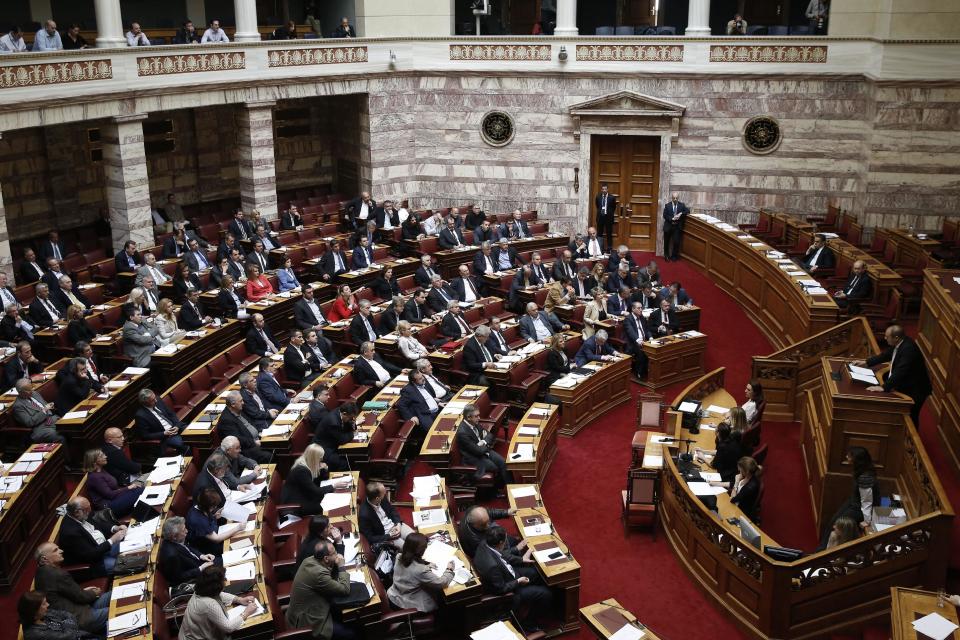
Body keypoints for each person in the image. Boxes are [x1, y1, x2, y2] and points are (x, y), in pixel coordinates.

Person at [473, 525, 552, 631]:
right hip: (510, 590)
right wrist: (518, 581)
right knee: (546, 593)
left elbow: (501, 555)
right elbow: (501, 589)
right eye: (505, 540)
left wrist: (521, 560)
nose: (506, 542)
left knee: (537, 573)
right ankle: (529, 623)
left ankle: (539, 602)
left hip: (508, 573)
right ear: (501, 543)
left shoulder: (486, 543)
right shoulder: (492, 566)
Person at [33, 542, 110, 636]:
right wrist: (94, 593)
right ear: (44, 559)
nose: (61, 551)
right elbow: (81, 597)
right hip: (81, 618)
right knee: (114, 610)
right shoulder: (57, 574)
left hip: (78, 609)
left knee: (113, 596)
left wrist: (85, 591)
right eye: (55, 550)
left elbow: (68, 594)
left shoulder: (40, 573)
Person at [861, 324, 932, 426]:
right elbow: (885, 355)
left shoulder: (908, 350)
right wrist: (867, 362)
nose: (885, 338)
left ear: (896, 338)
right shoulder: (900, 343)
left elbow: (901, 371)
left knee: (911, 416)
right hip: (908, 384)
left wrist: (884, 387)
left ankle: (912, 439)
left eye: (887, 336)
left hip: (917, 389)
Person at [287, 541, 356, 640]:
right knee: (351, 634)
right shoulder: (318, 574)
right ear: (326, 558)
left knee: (346, 616)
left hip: (302, 610)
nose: (337, 555)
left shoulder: (309, 560)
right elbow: (344, 590)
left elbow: (327, 572)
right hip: (310, 621)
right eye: (335, 553)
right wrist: (341, 566)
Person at [179, 566, 259, 640]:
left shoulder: (201, 590)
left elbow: (220, 594)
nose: (225, 580)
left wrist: (239, 599)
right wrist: (246, 613)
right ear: (216, 586)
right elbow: (229, 628)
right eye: (223, 579)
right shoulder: (209, 604)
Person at [820, 446, 879, 547]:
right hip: (854, 502)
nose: (847, 457)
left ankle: (822, 551)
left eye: (850, 456)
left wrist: (867, 520)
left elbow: (867, 502)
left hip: (858, 509)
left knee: (836, 524)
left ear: (857, 460)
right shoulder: (861, 471)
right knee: (832, 522)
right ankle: (822, 549)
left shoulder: (865, 477)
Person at [387, 532, 455, 613]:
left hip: (394, 596)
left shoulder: (399, 556)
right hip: (409, 604)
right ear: (421, 551)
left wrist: (426, 564)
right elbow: (441, 583)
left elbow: (412, 567)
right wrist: (449, 570)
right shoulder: (420, 570)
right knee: (443, 596)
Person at [58, 496, 126, 574]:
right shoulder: (70, 533)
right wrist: (112, 540)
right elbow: (91, 555)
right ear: (77, 512)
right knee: (126, 564)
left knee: (130, 546)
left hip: (104, 549)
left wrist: (115, 528)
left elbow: (98, 525)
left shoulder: (81, 515)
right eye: (87, 509)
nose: (90, 511)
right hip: (94, 563)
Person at [282, 443, 348, 516]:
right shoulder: (301, 471)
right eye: (320, 459)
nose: (322, 460)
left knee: (328, 496)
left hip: (306, 494)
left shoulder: (307, 462)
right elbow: (315, 491)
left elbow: (321, 479)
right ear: (314, 459)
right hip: (297, 503)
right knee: (328, 506)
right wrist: (333, 486)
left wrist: (324, 469)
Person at [456, 403, 510, 491]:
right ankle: (496, 490)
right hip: (473, 458)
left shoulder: (474, 422)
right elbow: (478, 451)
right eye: (476, 416)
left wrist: (484, 441)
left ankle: (509, 488)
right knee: (495, 467)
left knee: (503, 463)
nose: (479, 418)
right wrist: (488, 445)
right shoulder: (463, 433)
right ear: (469, 417)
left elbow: (489, 435)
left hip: (483, 450)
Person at [82, 448, 144, 517]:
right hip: (109, 507)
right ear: (94, 462)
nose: (105, 457)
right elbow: (110, 495)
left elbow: (114, 489)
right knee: (142, 491)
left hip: (115, 499)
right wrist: (128, 488)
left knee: (139, 488)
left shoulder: (101, 470)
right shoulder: (94, 477)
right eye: (102, 456)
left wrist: (129, 489)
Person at [216, 391, 273, 463]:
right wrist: (254, 442)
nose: (243, 403)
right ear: (233, 404)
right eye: (240, 401)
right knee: (269, 455)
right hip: (246, 449)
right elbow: (238, 440)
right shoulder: (226, 420)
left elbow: (251, 422)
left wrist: (260, 432)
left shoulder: (239, 409)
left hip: (257, 438)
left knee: (277, 445)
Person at [158, 517, 215, 586]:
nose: (187, 531)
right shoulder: (172, 556)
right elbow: (178, 578)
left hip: (201, 562)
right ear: (174, 536)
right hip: (199, 576)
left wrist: (201, 556)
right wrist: (201, 568)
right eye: (183, 530)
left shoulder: (175, 539)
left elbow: (187, 547)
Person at [187, 486, 242, 556]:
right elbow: (216, 539)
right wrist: (237, 528)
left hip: (216, 532)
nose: (215, 508)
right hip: (208, 549)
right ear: (207, 506)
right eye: (213, 506)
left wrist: (214, 517)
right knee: (238, 544)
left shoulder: (199, 506)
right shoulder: (198, 520)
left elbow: (207, 520)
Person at [133, 388, 189, 454]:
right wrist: (164, 433)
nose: (156, 401)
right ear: (145, 402)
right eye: (152, 400)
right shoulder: (141, 415)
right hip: (167, 436)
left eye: (155, 398)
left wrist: (177, 426)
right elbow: (145, 435)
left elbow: (171, 414)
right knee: (184, 444)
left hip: (176, 427)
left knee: (194, 433)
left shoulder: (158, 400)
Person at [359, 481, 413, 549]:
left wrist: (398, 524)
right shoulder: (364, 515)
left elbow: (392, 510)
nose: (386, 493)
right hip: (386, 536)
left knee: (414, 537)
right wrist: (389, 536)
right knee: (408, 549)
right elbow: (370, 538)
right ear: (377, 498)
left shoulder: (382, 498)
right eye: (384, 493)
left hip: (395, 524)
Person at [12, 379, 65, 444]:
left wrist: (50, 406)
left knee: (70, 428)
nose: (31, 391)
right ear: (20, 392)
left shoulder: (34, 393)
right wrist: (44, 410)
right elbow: (29, 422)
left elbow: (45, 405)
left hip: (52, 419)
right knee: (59, 437)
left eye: (31, 388)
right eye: (28, 390)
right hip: (41, 428)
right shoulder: (18, 406)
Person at [18, 591, 83, 640]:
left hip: (80, 634)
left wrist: (66, 626)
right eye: (44, 604)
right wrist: (68, 623)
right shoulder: (35, 634)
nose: (48, 604)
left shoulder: (42, 614)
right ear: (34, 610)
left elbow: (67, 614)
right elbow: (70, 637)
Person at [314, 402, 357, 471]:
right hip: (323, 449)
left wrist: (352, 424)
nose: (352, 419)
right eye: (351, 417)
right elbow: (342, 440)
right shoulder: (333, 422)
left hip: (333, 443)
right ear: (344, 414)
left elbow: (349, 428)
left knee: (352, 458)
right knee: (344, 464)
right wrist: (353, 434)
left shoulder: (340, 412)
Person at [397, 369, 440, 437]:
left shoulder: (423, 382)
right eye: (420, 378)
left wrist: (436, 402)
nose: (423, 378)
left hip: (437, 410)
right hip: (426, 415)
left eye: (422, 376)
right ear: (413, 381)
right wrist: (410, 417)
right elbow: (401, 405)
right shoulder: (408, 390)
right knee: (436, 435)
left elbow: (426, 397)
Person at [623, 302, 651, 379]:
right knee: (641, 350)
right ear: (633, 309)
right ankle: (639, 372)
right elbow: (630, 332)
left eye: (641, 308)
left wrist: (651, 338)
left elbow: (647, 330)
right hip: (632, 343)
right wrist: (638, 340)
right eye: (638, 308)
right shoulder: (628, 319)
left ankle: (647, 370)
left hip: (644, 341)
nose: (641, 310)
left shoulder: (642, 317)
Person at [662, 192, 690, 261]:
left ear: (678, 198)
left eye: (676, 198)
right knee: (666, 242)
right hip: (668, 226)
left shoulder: (681, 205)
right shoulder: (667, 205)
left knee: (676, 242)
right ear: (671, 198)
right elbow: (665, 215)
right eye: (673, 198)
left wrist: (680, 213)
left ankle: (674, 256)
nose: (675, 199)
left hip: (677, 227)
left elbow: (687, 211)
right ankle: (666, 256)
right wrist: (671, 218)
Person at [594, 183, 616, 248]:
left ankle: (609, 248)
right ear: (601, 190)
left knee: (609, 234)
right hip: (600, 217)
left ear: (607, 189)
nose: (604, 190)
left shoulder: (612, 198)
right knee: (599, 234)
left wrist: (609, 213)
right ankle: (600, 248)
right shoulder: (598, 197)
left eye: (605, 189)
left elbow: (613, 207)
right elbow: (598, 206)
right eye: (603, 189)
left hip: (608, 218)